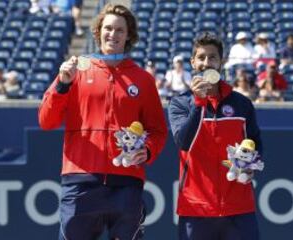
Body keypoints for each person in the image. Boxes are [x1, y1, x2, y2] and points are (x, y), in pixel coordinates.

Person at [38, 3, 167, 240]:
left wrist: (147, 151)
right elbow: (47, 121)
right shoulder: (76, 70)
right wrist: (62, 85)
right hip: (80, 180)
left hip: (127, 182)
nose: (113, 35)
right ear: (98, 33)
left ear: (129, 35)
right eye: (108, 29)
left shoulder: (143, 79)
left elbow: (158, 130)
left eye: (120, 30)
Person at [168, 32, 262, 240]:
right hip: (196, 208)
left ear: (221, 62)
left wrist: (252, 164)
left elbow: (255, 142)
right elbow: (184, 142)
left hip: (239, 208)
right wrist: (199, 103)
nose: (206, 62)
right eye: (201, 57)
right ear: (193, 62)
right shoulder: (180, 104)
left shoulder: (241, 104)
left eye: (212, 57)